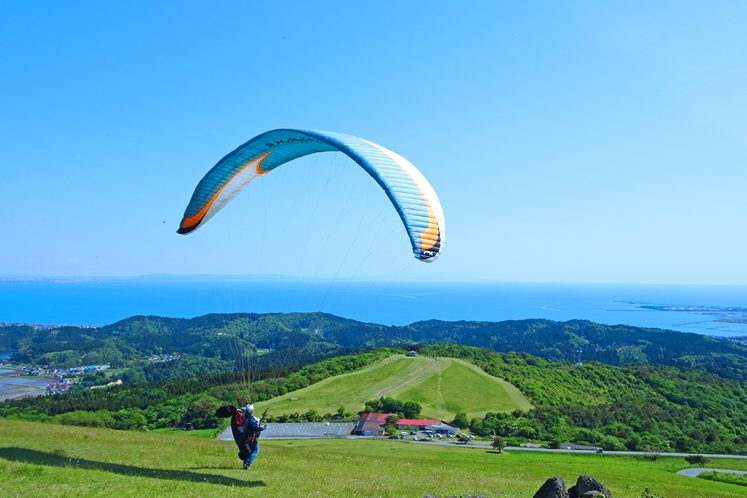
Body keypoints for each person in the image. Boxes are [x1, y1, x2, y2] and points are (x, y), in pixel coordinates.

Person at [240, 404, 267, 470]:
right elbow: (254, 427)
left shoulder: (244, 417)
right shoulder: (250, 418)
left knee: (249, 451)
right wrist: (262, 428)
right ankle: (247, 463)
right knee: (256, 450)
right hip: (251, 437)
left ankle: (245, 463)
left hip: (245, 437)